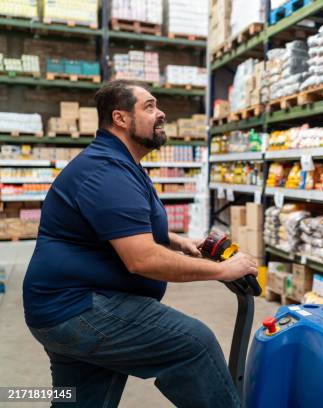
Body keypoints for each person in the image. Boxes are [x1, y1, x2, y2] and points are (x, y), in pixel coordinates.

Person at [22, 80, 256, 408]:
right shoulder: (107, 171)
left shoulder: (118, 162)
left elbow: (115, 226)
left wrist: (174, 240)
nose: (160, 113)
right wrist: (224, 270)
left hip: (65, 307)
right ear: (120, 118)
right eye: (149, 106)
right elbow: (142, 260)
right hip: (79, 308)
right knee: (194, 343)